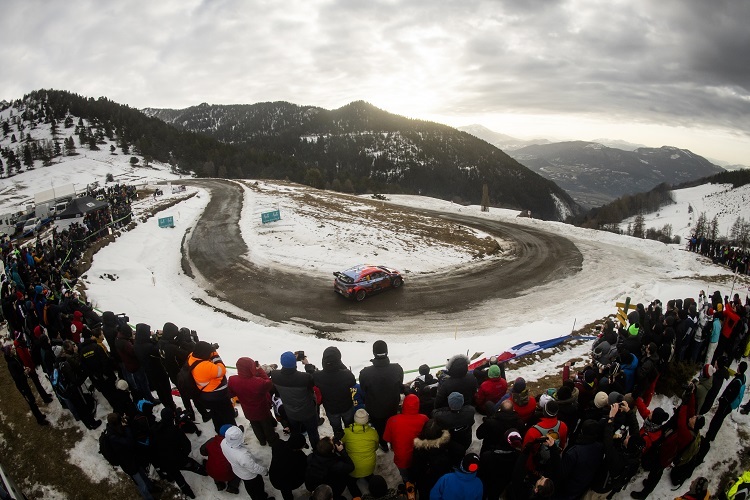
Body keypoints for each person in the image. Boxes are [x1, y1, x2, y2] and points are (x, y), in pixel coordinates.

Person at [151, 407, 207, 499]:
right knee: (192, 465)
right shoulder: (175, 431)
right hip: (178, 458)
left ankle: (190, 495)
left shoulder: (154, 430)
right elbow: (187, 446)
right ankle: (204, 471)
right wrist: (183, 455)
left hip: (165, 462)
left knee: (179, 479)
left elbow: (153, 447)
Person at [359, 340, 404, 451]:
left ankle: (383, 445)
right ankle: (393, 444)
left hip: (375, 409)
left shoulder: (365, 372)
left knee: (379, 428)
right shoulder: (397, 368)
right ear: (387, 352)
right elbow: (400, 385)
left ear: (374, 353)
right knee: (392, 426)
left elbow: (363, 389)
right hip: (392, 407)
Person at [270, 351, 320, 449]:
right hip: (308, 411)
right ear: (295, 363)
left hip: (291, 411)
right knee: (313, 433)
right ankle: (317, 450)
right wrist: (307, 365)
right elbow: (314, 379)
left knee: (295, 432)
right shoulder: (304, 377)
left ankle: (297, 447)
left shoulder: (275, 375)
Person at [103, 412, 158, 499]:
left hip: (133, 458)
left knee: (143, 475)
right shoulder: (113, 437)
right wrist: (126, 427)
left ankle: (151, 487)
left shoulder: (114, 429)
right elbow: (129, 442)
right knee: (140, 484)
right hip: (128, 464)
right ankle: (149, 497)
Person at [188, 340, 236, 433]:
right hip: (216, 395)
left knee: (215, 413)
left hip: (206, 395)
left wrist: (210, 349)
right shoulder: (204, 366)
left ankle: (219, 430)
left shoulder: (192, 356)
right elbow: (221, 369)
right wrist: (215, 354)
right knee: (227, 415)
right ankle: (233, 432)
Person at [228, 356, 278, 446]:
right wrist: (260, 370)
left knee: (255, 425)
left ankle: (262, 441)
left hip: (247, 410)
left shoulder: (232, 380)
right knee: (266, 425)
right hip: (261, 409)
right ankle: (272, 441)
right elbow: (268, 383)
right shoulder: (258, 382)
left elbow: (231, 393)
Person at [383, 393, 429, 483]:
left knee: (405, 477)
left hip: (401, 459)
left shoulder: (392, 420)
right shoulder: (424, 419)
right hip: (419, 458)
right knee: (418, 475)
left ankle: (407, 484)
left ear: (404, 405)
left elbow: (387, 439)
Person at [313, 346, 356, 439]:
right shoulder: (346, 374)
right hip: (347, 407)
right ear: (339, 361)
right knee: (350, 426)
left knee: (337, 429)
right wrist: (339, 364)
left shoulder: (318, 376)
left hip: (331, 409)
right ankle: (351, 441)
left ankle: (339, 442)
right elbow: (352, 381)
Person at [221, 425, 273, 499]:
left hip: (239, 471)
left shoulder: (223, 442)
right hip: (250, 475)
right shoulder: (242, 455)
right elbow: (253, 468)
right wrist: (265, 471)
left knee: (249, 488)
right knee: (258, 488)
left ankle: (255, 497)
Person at [2, 343, 50, 425]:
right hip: (22, 386)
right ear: (9, 353)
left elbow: (19, 368)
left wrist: (24, 369)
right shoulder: (11, 364)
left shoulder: (13, 358)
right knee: (31, 401)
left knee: (32, 399)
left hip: (24, 383)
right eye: (11, 349)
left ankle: (40, 415)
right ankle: (40, 420)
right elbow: (16, 377)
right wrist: (24, 373)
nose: (13, 349)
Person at [133, 323, 175, 410]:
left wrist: (155, 337)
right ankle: (171, 406)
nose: (150, 333)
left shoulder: (137, 343)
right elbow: (159, 350)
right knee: (165, 390)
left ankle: (167, 404)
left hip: (149, 371)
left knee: (159, 390)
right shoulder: (148, 347)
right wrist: (161, 338)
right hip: (158, 371)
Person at [341, 408, 379, 498]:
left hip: (352, 468)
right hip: (369, 467)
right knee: (370, 476)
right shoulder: (373, 432)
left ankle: (357, 496)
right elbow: (375, 447)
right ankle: (376, 492)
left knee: (349, 481)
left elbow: (342, 445)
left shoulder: (346, 432)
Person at [706, 361, 747, 442]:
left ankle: (709, 436)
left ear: (740, 368)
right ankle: (712, 436)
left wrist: (723, 399)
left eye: (739, 366)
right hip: (729, 405)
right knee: (719, 419)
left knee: (717, 419)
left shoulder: (737, 382)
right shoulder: (743, 377)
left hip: (726, 405)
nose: (737, 366)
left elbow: (732, 395)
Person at [477, 428, 521, 500]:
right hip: (501, 484)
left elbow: (480, 473)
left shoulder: (487, 456)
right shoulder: (518, 457)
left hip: (485, 483)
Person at [270, 433, 308, 500]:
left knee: (284, 488)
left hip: (274, 477)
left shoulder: (278, 444)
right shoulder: (300, 457)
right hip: (290, 483)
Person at [199, 425, 237, 493]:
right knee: (241, 469)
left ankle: (219, 484)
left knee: (215, 465)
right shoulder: (233, 444)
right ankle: (232, 486)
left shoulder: (212, 440)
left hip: (211, 471)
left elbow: (202, 451)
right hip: (227, 474)